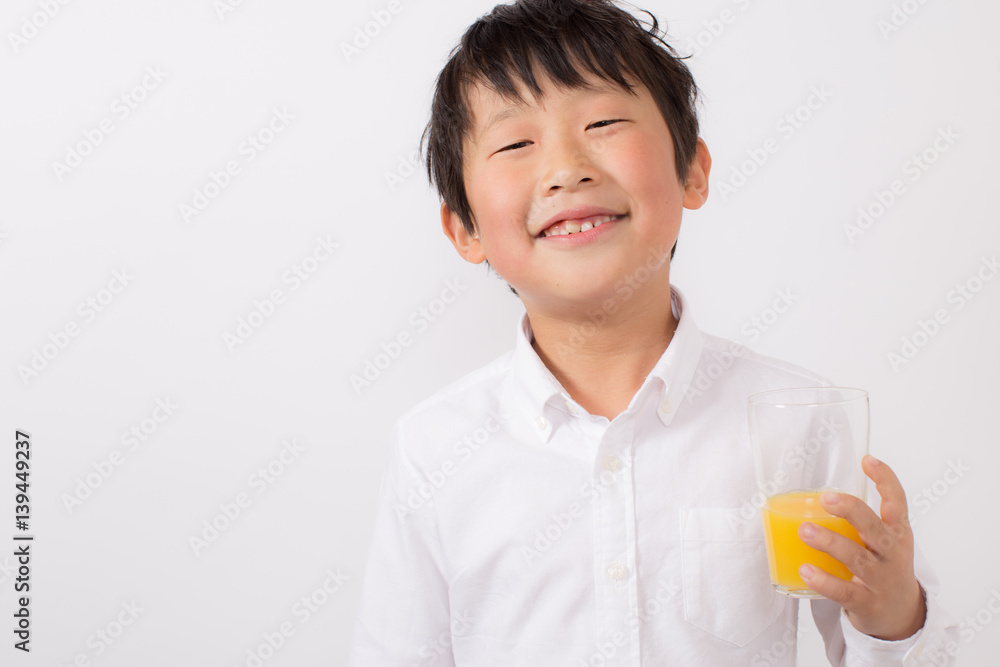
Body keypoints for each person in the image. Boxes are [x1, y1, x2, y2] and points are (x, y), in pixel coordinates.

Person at [347, 1, 959, 664]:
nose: (567, 168)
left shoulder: (796, 420)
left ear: (691, 170)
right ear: (465, 229)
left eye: (603, 122)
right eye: (516, 144)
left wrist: (894, 616)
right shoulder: (433, 449)